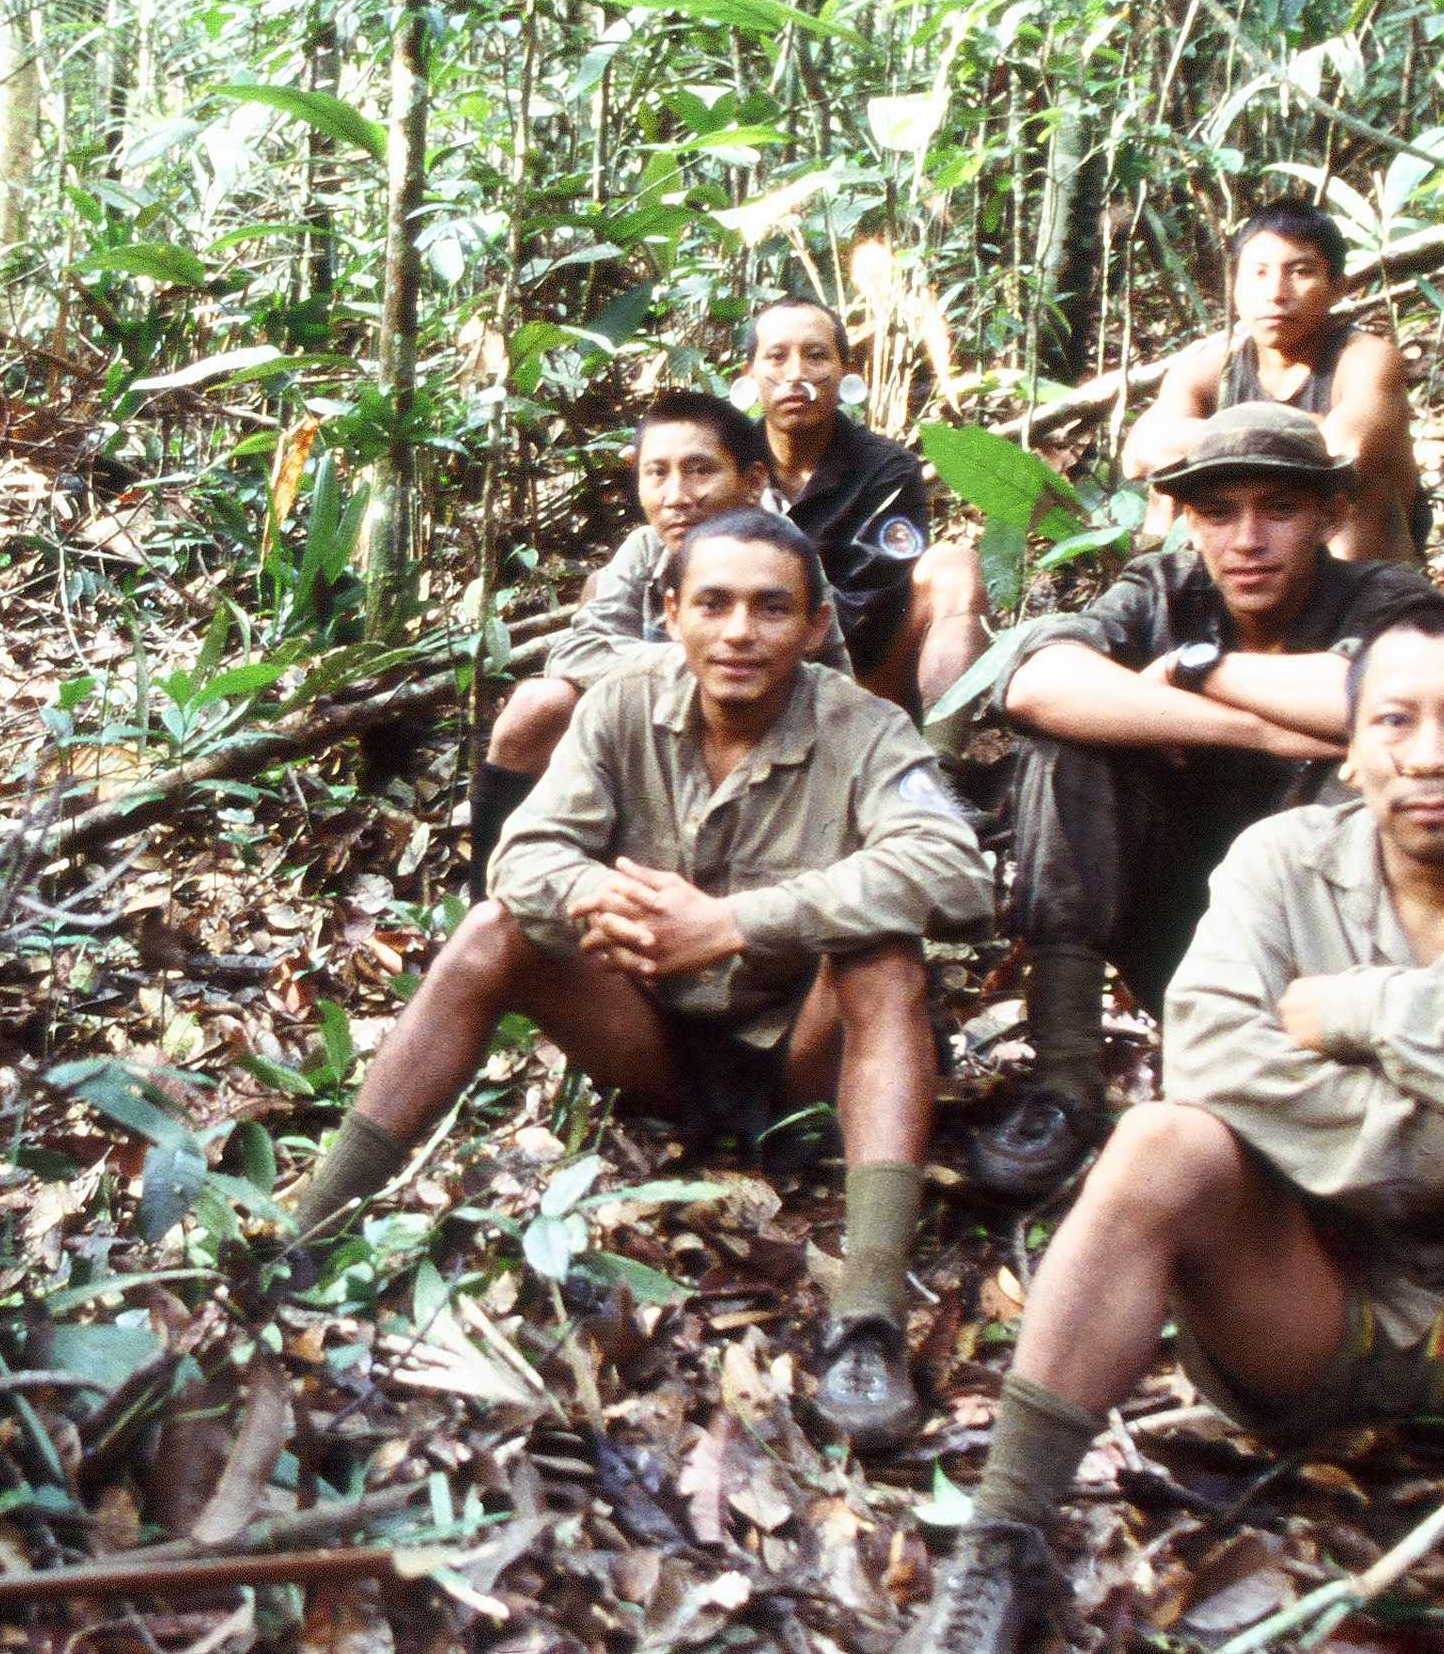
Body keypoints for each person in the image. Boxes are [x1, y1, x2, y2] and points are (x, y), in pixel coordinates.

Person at [909, 601, 1444, 1654]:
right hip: (1299, 1307)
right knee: (1164, 1137)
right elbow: (1210, 1057)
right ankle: (998, 1541)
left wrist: (1365, 1012)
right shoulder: (1279, 864)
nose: (1428, 756)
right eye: (1391, 721)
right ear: (1349, 752)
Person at [288, 510, 994, 1452]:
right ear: (671, 613)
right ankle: (311, 1222)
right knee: (493, 933)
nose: (740, 633)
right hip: (652, 1045)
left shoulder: (864, 729)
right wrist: (593, 895)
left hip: (804, 1064)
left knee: (883, 954)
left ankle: (866, 1318)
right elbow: (526, 855)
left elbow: (954, 873)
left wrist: (735, 922)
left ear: (817, 626)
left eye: (771, 609)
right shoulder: (623, 703)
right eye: (715, 604)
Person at [968, 403, 1432, 1200]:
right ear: (1189, 523)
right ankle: (1066, 1085)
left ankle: (1314, 1076)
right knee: (1068, 752)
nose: (1247, 540)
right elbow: (1038, 683)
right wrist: (1256, 732)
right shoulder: (1160, 588)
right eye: (1219, 513)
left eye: (1278, 509)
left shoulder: (1380, 598)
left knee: (1370, 762)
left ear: (1333, 514)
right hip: (1174, 919)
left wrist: (1198, 667)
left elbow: (1393, 691)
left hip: (1321, 948)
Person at [467, 391, 839, 899]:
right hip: (660, 739)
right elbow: (575, 652)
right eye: (656, 473)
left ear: (752, 483)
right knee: (538, 704)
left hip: (773, 761)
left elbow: (815, 691)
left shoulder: (778, 558)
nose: (675, 495)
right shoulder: (645, 549)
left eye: (699, 470)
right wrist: (697, 661)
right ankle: (492, 901)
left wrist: (706, 664)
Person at [1120, 200, 1422, 564]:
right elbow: (1141, 453)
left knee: (1356, 490)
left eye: (1300, 272)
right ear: (1235, 286)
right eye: (1259, 273)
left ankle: (1368, 612)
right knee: (1167, 490)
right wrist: (1303, 428)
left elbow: (1345, 449)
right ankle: (1167, 601)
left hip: (1346, 568)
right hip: (1247, 553)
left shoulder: (1364, 357)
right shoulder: (1210, 363)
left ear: (1337, 287)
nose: (1276, 292)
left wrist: (1215, 439)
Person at [740, 297, 990, 722]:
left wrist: (783, 615)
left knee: (954, 566)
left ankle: (939, 761)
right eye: (777, 357)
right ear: (749, 375)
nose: (796, 374)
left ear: (844, 372)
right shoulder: (727, 462)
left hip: (863, 673)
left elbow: (876, 598)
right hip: (739, 657)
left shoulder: (885, 468)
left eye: (816, 355)